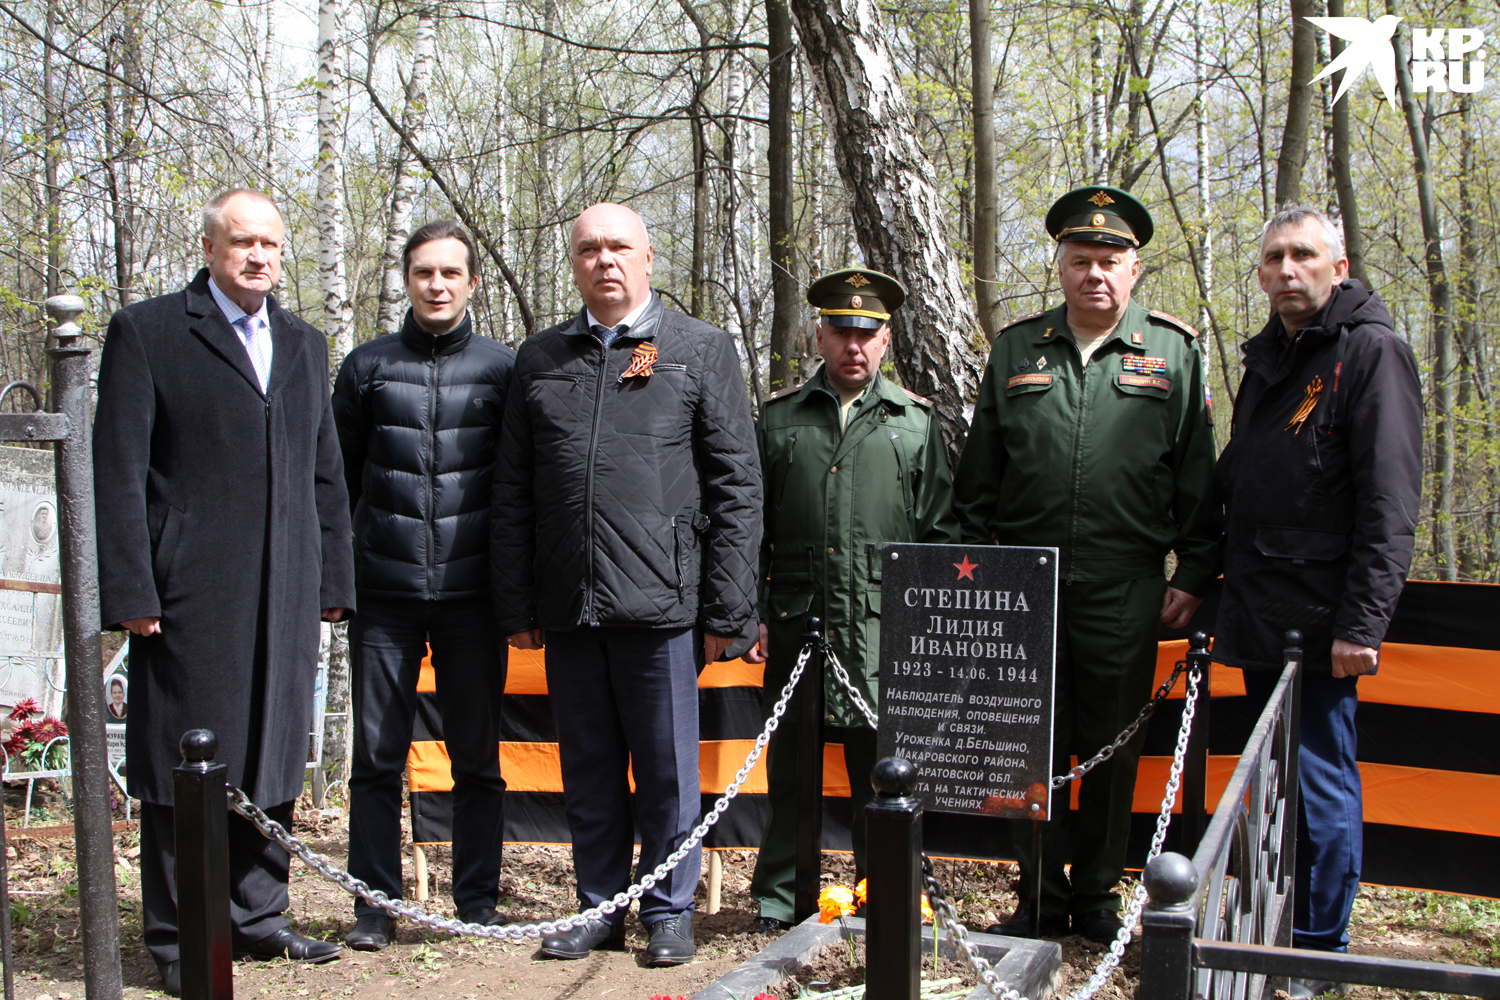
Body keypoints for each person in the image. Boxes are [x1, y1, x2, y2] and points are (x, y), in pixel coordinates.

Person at [94, 189, 354, 993]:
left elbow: (325, 470)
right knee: (189, 755)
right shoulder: (150, 332)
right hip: (187, 588)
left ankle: (257, 916)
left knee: (272, 748)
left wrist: (332, 580)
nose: (258, 257)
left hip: (286, 584)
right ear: (208, 248)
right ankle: (180, 936)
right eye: (241, 242)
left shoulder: (306, 344)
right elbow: (118, 470)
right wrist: (131, 586)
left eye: (271, 245)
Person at [491, 203, 761, 965]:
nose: (604, 260)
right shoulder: (540, 359)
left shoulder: (699, 349)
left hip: (664, 605)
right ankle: (599, 905)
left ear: (648, 258)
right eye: (589, 249)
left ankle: (670, 908)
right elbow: (512, 491)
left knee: (669, 769)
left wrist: (729, 608)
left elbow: (737, 485)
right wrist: (517, 601)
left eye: (619, 247)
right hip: (569, 604)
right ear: (573, 263)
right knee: (588, 767)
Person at [952, 186, 1219, 942]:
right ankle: (1038, 891)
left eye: (1110, 261)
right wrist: (978, 568)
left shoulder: (1173, 352)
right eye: (1080, 261)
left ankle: (1098, 892)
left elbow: (1198, 475)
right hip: (1023, 583)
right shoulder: (1016, 348)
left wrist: (1195, 571)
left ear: (1134, 269)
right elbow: (980, 477)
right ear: (1060, 268)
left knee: (1111, 744)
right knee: (1023, 738)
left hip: (1124, 582)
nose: (1095, 274)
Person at [1213, 207, 1421, 998]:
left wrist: (1363, 624)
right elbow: (1248, 476)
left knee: (1320, 781)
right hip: (1264, 612)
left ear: (1338, 269)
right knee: (1275, 786)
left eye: (1304, 255)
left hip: (1325, 624)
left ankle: (1315, 953)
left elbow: (1390, 503)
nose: (1287, 269)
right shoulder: (1271, 359)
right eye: (1273, 258)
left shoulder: (1371, 353)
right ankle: (1278, 932)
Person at [746, 267, 960, 931]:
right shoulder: (780, 418)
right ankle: (783, 897)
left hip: (883, 629)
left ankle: (888, 893)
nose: (853, 345)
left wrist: (930, 629)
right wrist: (751, 608)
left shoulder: (916, 424)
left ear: (886, 339)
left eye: (867, 333)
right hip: (796, 622)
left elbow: (940, 533)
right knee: (791, 768)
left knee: (886, 768)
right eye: (841, 330)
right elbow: (751, 526)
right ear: (820, 333)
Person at [332, 221, 517, 951]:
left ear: (472, 283)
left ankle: (476, 901)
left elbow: (520, 489)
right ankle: (373, 906)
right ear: (406, 281)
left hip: (476, 597)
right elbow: (335, 484)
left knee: (477, 758)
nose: (436, 285)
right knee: (376, 757)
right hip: (384, 594)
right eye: (423, 273)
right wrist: (335, 578)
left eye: (450, 273)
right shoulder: (366, 367)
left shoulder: (504, 369)